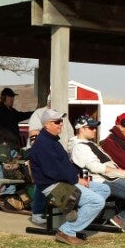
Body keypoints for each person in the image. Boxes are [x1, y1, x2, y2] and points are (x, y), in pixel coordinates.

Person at [28, 108, 111, 245]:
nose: (60, 124)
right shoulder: (43, 144)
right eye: (56, 122)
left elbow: (65, 166)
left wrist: (77, 178)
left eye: (61, 121)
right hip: (54, 187)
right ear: (46, 125)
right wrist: (76, 179)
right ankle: (67, 231)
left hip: (63, 182)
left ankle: (78, 216)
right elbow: (54, 172)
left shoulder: (52, 141)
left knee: (104, 189)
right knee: (97, 202)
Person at [26, 96, 74, 225]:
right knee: (44, 180)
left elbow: (70, 133)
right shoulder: (39, 113)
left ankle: (65, 209)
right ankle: (37, 212)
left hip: (59, 150)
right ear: (49, 102)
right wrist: (41, 151)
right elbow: (34, 133)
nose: (60, 123)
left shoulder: (59, 117)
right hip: (43, 152)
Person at [0, 87, 33, 196]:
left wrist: (35, 112)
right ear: (4, 97)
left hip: (13, 146)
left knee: (12, 170)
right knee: (1, 169)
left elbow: (21, 115)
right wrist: (2, 141)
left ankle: (10, 193)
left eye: (13, 97)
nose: (12, 99)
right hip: (3, 145)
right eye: (10, 97)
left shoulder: (11, 111)